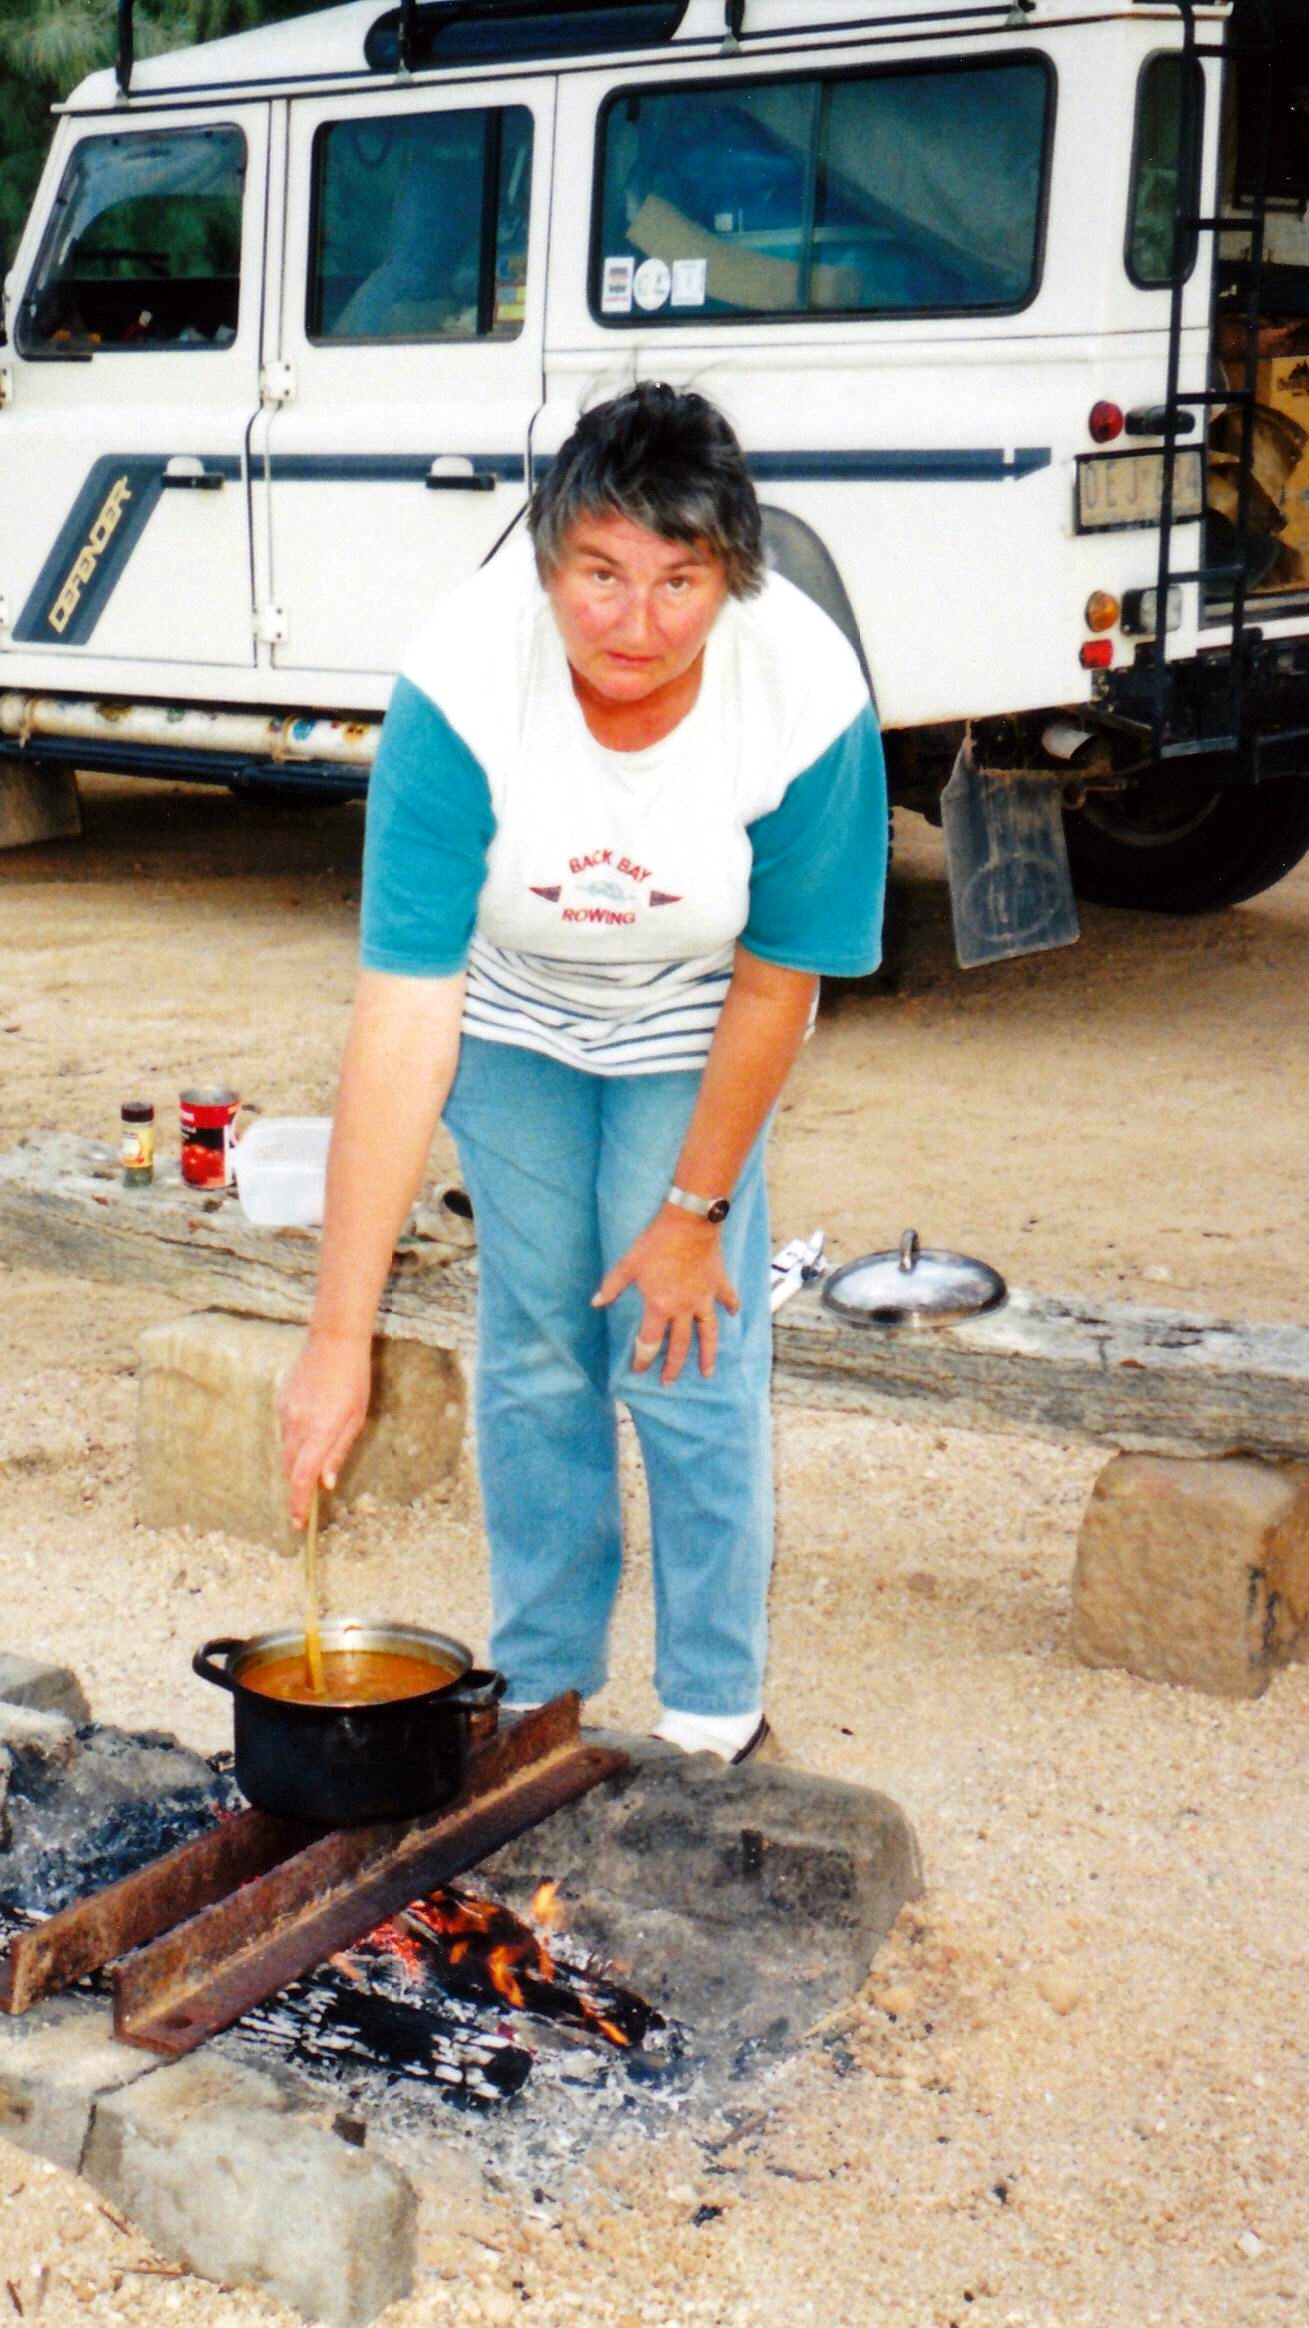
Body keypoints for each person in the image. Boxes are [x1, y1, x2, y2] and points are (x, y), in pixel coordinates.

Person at [277, 383, 888, 1764]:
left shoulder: (806, 690)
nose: (636, 623)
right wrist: (336, 1340)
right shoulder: (459, 680)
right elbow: (400, 1023)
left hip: (699, 1017)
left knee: (685, 1349)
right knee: (541, 1349)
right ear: (547, 559)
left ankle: (715, 1717)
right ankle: (541, 1696)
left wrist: (692, 1215)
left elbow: (782, 982)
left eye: (682, 582)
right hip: (511, 1017)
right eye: (600, 576)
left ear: (730, 575)